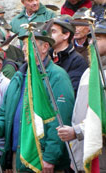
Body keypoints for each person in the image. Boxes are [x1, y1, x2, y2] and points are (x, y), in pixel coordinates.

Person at [0, 23, 75, 172]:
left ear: (45, 47)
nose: (24, 49)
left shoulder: (56, 77)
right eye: (23, 45)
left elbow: (60, 119)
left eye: (28, 44)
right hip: (17, 157)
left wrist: (50, 157)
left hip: (41, 158)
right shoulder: (19, 76)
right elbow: (5, 111)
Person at [57, 19, 106, 172]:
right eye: (91, 37)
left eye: (97, 38)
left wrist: (76, 131)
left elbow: (101, 116)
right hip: (82, 154)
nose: (91, 42)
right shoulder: (89, 71)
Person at [49, 15, 88, 95]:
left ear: (66, 35)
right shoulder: (45, 56)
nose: (49, 35)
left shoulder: (77, 61)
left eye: (53, 31)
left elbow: (69, 92)